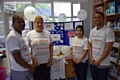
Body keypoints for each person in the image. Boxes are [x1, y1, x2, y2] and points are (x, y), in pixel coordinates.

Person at [6, 14, 34, 80]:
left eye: (23, 21)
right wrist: (31, 67)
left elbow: (26, 51)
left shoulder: (20, 36)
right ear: (13, 24)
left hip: (26, 69)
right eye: (18, 22)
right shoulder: (13, 37)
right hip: (20, 71)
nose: (21, 24)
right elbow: (18, 59)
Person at [88, 12, 115, 80]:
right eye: (95, 17)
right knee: (94, 78)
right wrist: (91, 57)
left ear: (103, 19)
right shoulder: (92, 31)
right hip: (93, 62)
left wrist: (99, 60)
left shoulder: (108, 31)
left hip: (103, 63)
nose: (97, 19)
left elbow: (108, 48)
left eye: (99, 17)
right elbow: (90, 44)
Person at [26, 16, 53, 80]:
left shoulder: (47, 34)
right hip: (36, 63)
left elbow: (51, 46)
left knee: (46, 78)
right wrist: (33, 60)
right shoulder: (30, 34)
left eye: (41, 23)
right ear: (34, 23)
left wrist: (51, 58)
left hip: (46, 63)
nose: (39, 24)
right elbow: (26, 49)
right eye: (38, 22)